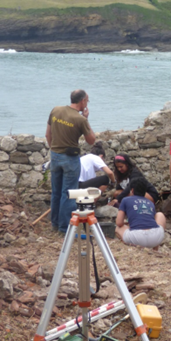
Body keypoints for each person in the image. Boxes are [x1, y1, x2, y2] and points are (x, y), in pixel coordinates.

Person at [46, 89, 96, 234]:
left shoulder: (56, 110)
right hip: (70, 159)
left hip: (55, 155)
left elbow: (47, 134)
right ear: (83, 101)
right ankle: (64, 228)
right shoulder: (80, 119)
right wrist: (86, 119)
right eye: (87, 100)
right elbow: (91, 140)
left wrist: (54, 151)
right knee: (68, 193)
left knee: (56, 192)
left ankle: (55, 224)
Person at [115, 178, 166, 251]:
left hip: (136, 238)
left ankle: (131, 246)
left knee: (118, 228)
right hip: (155, 238)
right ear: (145, 192)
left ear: (132, 190)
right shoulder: (150, 203)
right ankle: (155, 249)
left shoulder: (125, 200)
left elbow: (119, 223)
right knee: (160, 214)